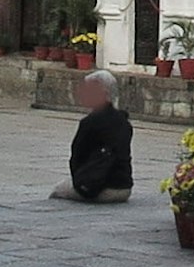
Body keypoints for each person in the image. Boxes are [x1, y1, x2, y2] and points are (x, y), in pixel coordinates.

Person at [50, 70, 132, 202]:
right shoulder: (124, 122)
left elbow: (77, 157)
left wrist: (81, 180)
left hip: (100, 188)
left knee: (58, 190)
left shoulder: (89, 122)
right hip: (124, 187)